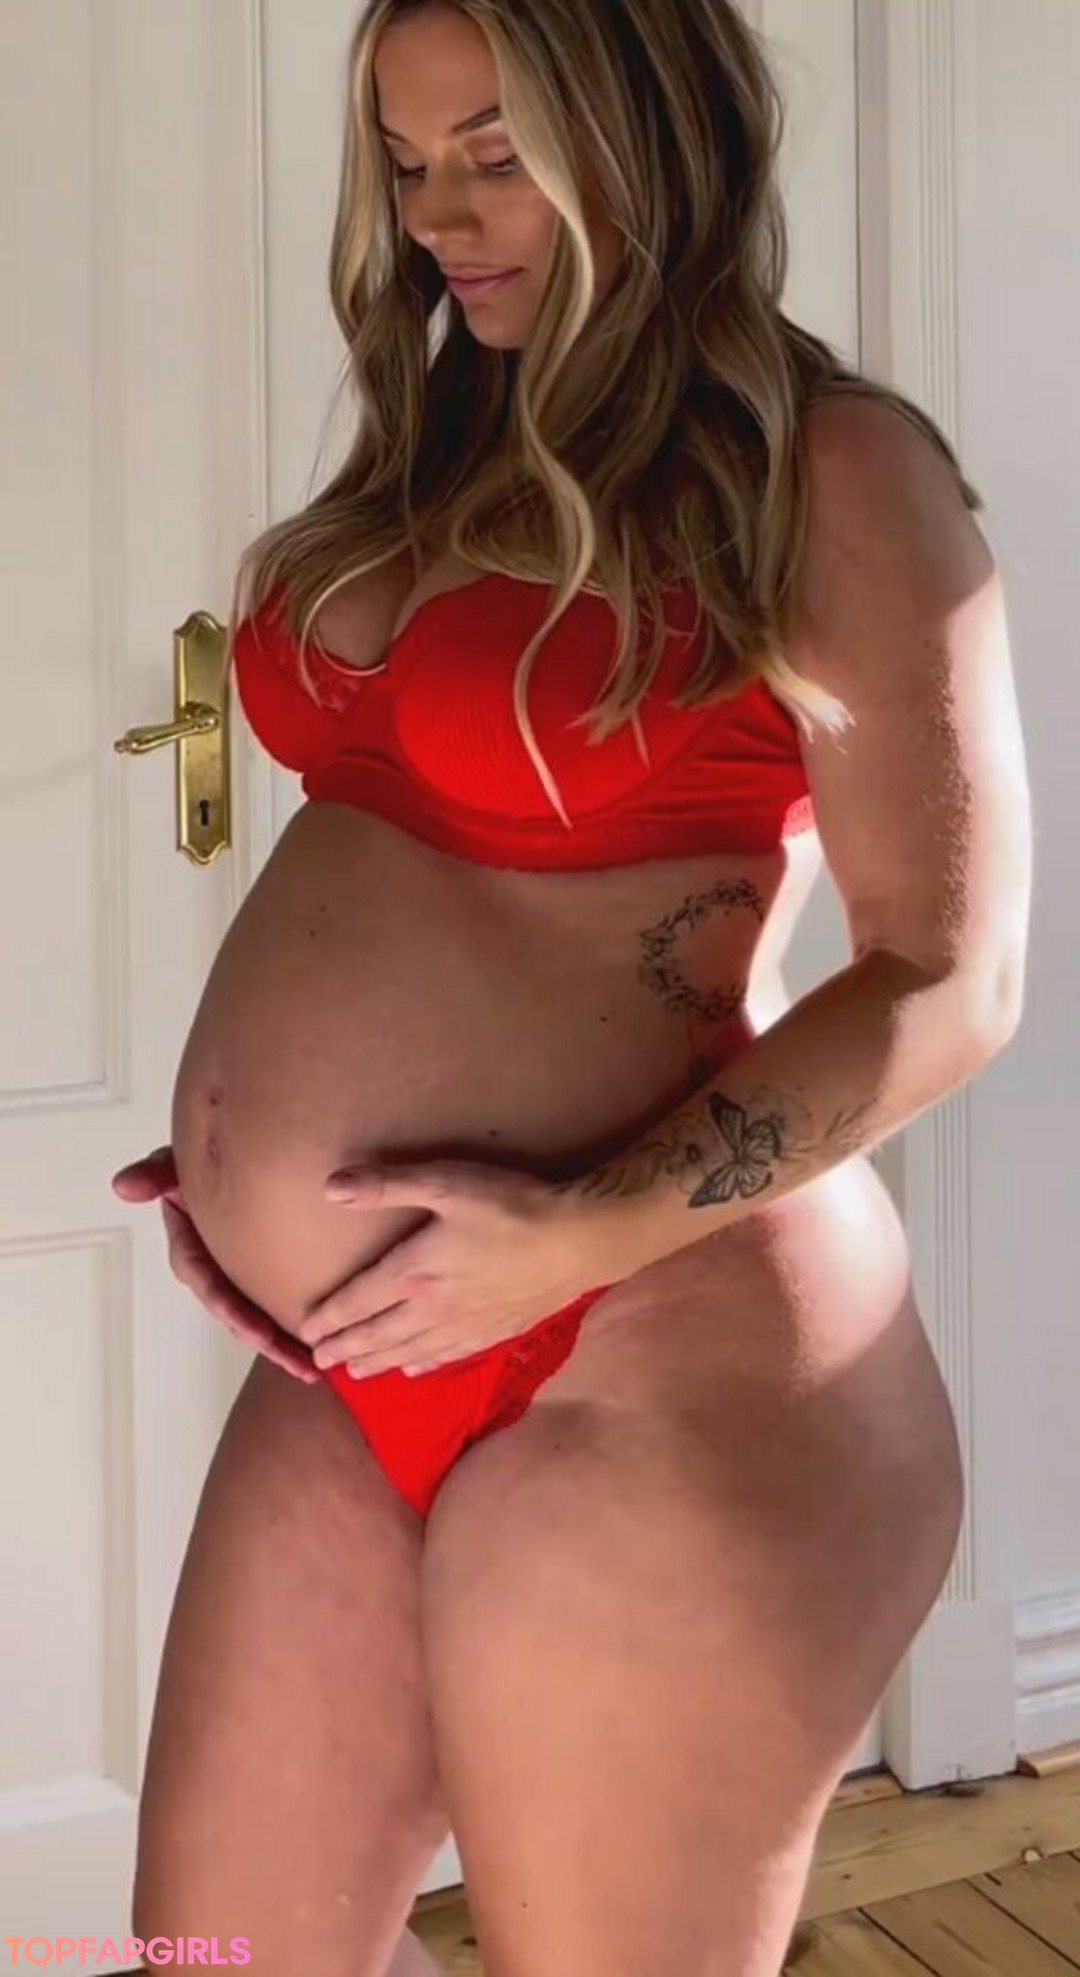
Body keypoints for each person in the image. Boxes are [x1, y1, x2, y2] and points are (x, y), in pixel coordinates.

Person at [110, 1, 1031, 1972]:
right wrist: (253, 1168)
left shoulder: (833, 470)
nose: (440, 216)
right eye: (407, 160)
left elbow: (955, 978)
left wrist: (572, 1237)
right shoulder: (450, 446)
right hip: (360, 1352)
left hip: (656, 1354)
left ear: (652, 136)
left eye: (498, 154)